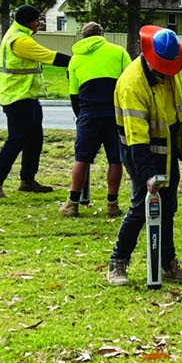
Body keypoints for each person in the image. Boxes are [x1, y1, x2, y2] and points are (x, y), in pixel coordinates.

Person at [107, 26, 182, 288]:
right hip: (141, 154)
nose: (166, 73)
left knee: (168, 208)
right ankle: (118, 262)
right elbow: (137, 139)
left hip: (168, 152)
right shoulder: (132, 84)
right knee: (141, 208)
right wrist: (147, 175)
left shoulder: (170, 74)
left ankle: (167, 263)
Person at [0, 4, 71, 199]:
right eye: (37, 20)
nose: (39, 23)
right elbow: (49, 56)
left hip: (27, 96)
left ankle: (27, 180)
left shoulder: (18, 33)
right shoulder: (20, 40)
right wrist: (77, 61)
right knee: (16, 140)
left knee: (34, 139)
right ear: (28, 22)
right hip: (17, 97)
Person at [60, 22, 132, 218]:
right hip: (114, 114)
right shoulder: (119, 52)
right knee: (115, 159)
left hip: (88, 114)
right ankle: (112, 204)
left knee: (82, 159)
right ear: (102, 34)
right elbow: (129, 83)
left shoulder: (75, 59)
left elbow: (74, 95)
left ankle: (72, 203)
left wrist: (81, 116)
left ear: (84, 37)